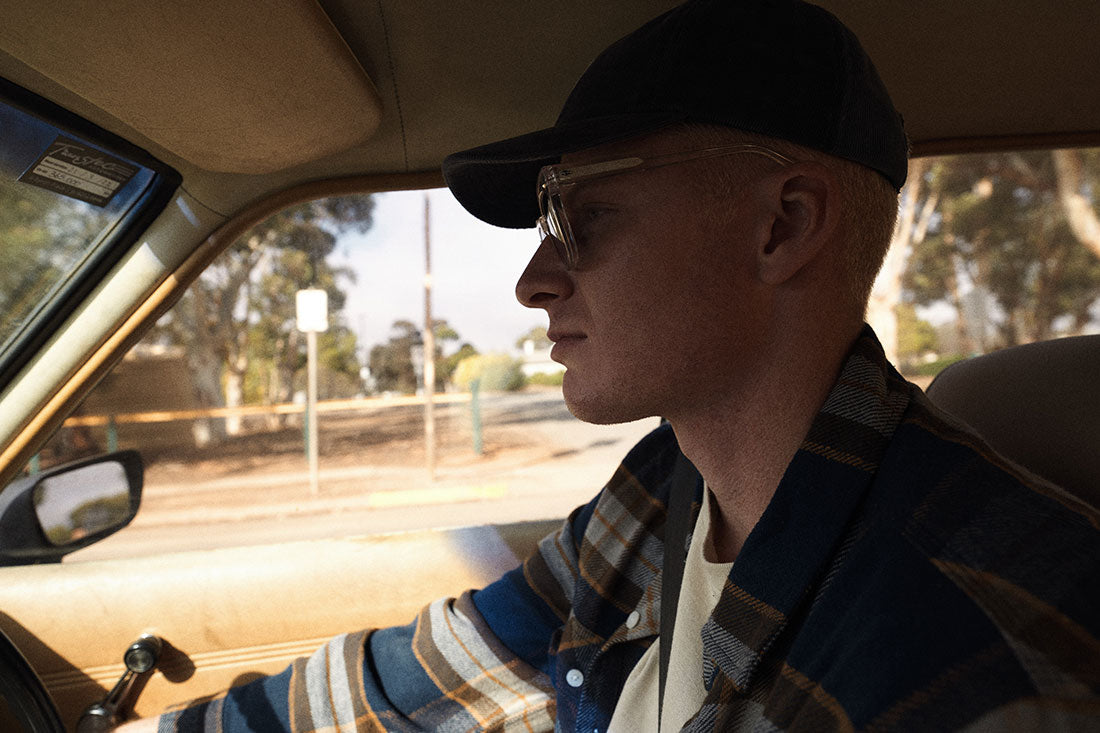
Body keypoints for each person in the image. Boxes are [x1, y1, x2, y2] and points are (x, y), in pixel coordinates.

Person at [137, 0, 1100, 730]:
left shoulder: (971, 669)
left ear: (783, 225)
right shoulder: (666, 487)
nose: (532, 281)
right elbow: (444, 668)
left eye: (580, 213)